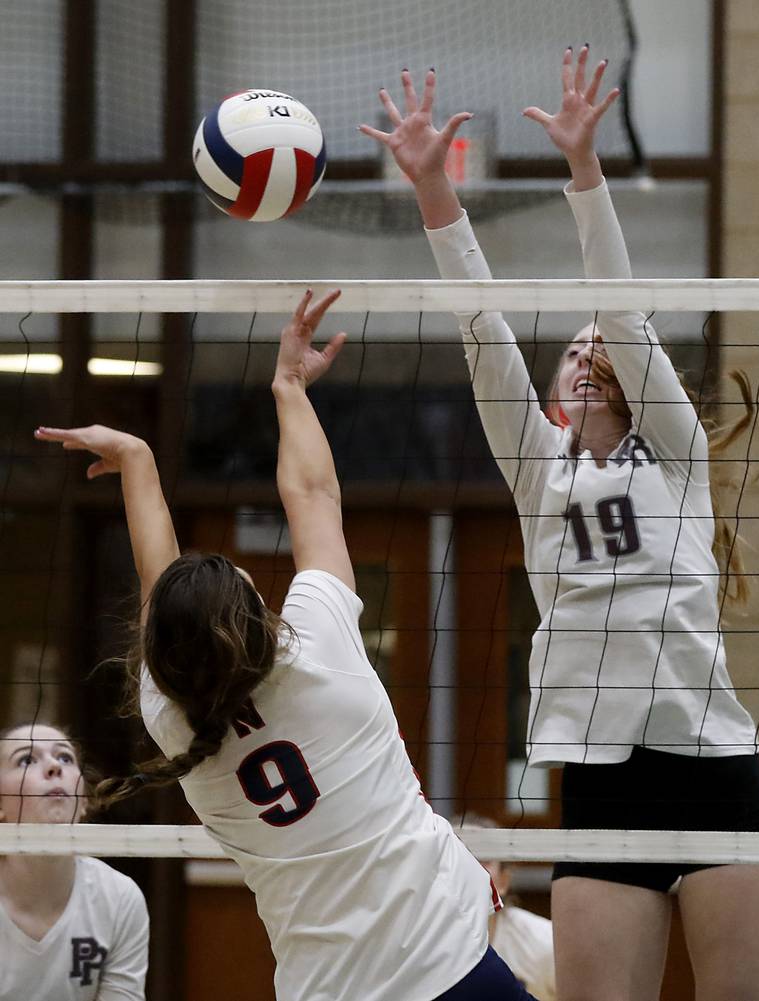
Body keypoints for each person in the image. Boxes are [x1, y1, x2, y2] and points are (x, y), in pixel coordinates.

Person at [360, 51, 759, 1001]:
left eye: (609, 350)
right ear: (553, 392)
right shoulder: (537, 466)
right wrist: (435, 188)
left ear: (645, 386)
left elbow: (625, 311)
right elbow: (484, 332)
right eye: (577, 351)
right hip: (602, 778)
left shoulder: (675, 455)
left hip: (719, 770)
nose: (594, 355)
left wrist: (585, 170)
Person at [35, 291, 539, 1001]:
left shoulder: (178, 721)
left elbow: (162, 597)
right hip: (450, 968)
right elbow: (313, 493)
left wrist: (143, 464)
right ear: (256, 619)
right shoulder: (318, 651)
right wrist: (289, 387)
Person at [0, 721, 148, 1001]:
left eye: (65, 758)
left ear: (82, 802)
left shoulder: (120, 898)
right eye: (26, 760)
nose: (54, 768)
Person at [460, 814, 556, 1001]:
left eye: (483, 859)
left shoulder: (544, 944)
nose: (468, 866)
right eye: (458, 855)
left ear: (503, 881)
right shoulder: (414, 943)